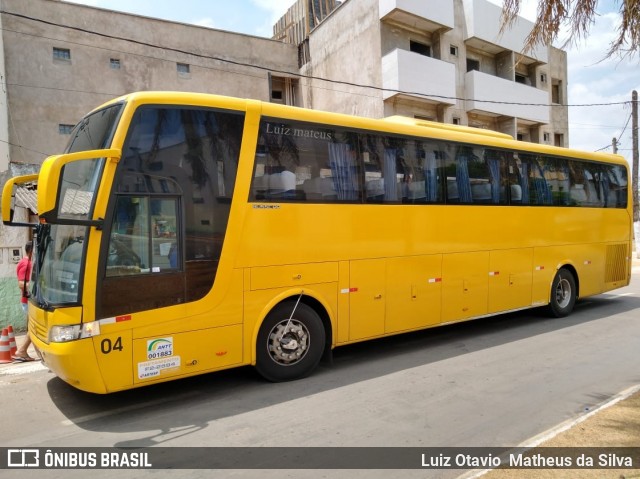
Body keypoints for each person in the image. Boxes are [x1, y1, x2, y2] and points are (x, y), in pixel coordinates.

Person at [12, 241, 36, 361]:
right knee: (34, 328)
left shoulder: (25, 262)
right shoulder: (26, 263)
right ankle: (22, 351)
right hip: (28, 301)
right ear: (31, 250)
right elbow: (21, 283)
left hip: (28, 301)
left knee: (33, 327)